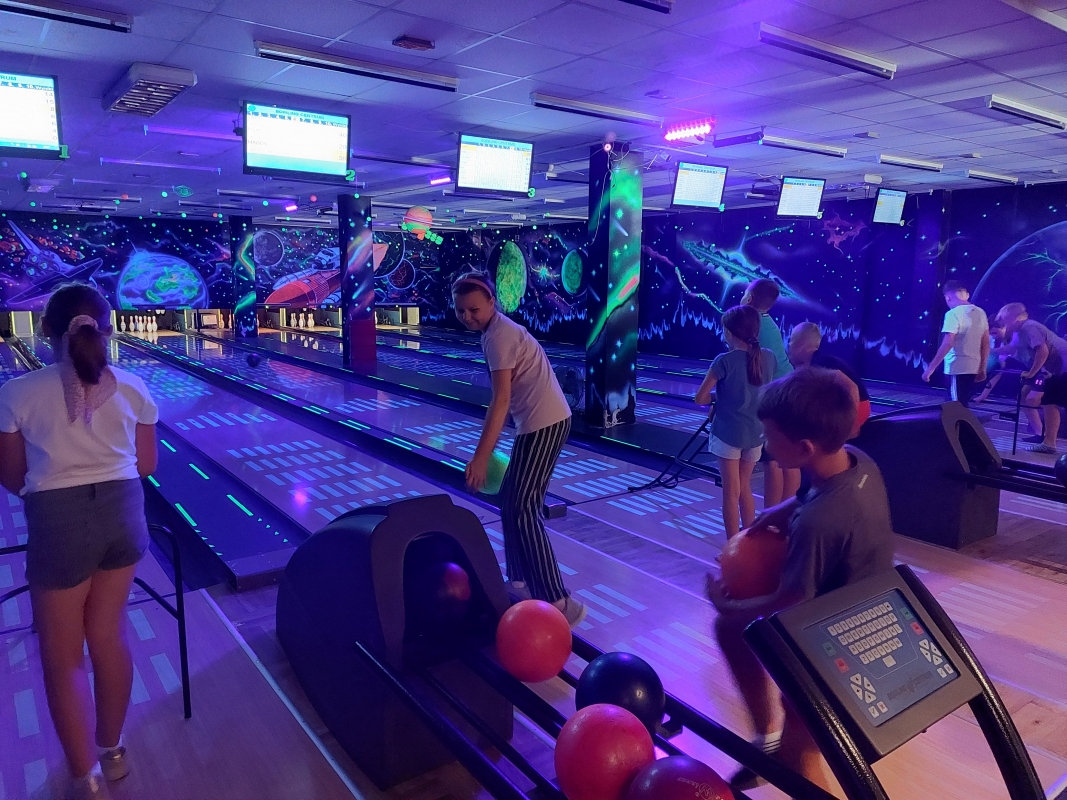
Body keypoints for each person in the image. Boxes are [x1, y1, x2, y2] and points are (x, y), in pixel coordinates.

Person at [0, 284, 158, 800]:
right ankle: (113, 754)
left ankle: (84, 778)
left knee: (63, 654)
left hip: (59, 520)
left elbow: (13, 477)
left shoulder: (16, 392)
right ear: (108, 329)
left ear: (45, 330)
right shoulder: (133, 386)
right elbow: (147, 465)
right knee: (108, 634)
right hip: (125, 513)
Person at [707, 368, 895, 791]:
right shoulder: (857, 461)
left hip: (840, 644)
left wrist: (728, 603)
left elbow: (791, 601)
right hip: (873, 607)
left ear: (804, 448)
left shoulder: (819, 523)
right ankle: (767, 740)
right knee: (729, 630)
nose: (765, 442)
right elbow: (812, 496)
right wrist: (779, 510)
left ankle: (787, 743)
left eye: (771, 437)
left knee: (802, 758)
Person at [451, 272, 585, 626]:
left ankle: (558, 600)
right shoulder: (493, 331)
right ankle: (520, 583)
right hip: (536, 422)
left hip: (546, 422)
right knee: (511, 503)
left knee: (524, 508)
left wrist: (481, 457)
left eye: (474, 309)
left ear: (492, 302)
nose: (467, 316)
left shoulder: (499, 336)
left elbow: (501, 401)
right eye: (461, 310)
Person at [694, 306, 775, 538]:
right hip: (756, 434)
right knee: (745, 486)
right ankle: (748, 543)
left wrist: (718, 398)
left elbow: (700, 398)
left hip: (728, 433)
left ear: (729, 333)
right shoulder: (768, 357)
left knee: (731, 492)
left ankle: (732, 546)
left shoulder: (724, 361)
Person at [742, 279, 801, 508]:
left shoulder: (751, 324)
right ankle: (786, 511)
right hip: (789, 386)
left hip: (777, 392)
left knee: (773, 459)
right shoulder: (768, 322)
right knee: (788, 456)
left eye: (745, 292)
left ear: (749, 298)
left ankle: (772, 513)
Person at [995, 302, 1067, 454]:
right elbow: (1011, 348)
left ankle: (1049, 443)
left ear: (1014, 318)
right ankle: (1048, 444)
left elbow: (1042, 351)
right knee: (1049, 402)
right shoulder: (1020, 331)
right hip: (1056, 370)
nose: (1000, 323)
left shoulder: (1029, 327)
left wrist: (1031, 373)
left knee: (1050, 402)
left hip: (1062, 367)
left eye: (1003, 319)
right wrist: (988, 350)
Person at [787, 322, 869, 439]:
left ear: (801, 345)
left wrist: (852, 423)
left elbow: (852, 387)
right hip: (853, 407)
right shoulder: (816, 361)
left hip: (857, 408)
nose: (788, 346)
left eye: (791, 342)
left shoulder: (822, 363)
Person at [921, 280, 990, 407]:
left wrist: (930, 369)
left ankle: (960, 421)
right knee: (962, 403)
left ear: (947, 297)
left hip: (957, 367)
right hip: (974, 365)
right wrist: (982, 367)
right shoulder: (981, 312)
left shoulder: (953, 314)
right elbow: (985, 342)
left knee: (955, 406)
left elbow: (948, 343)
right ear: (967, 295)